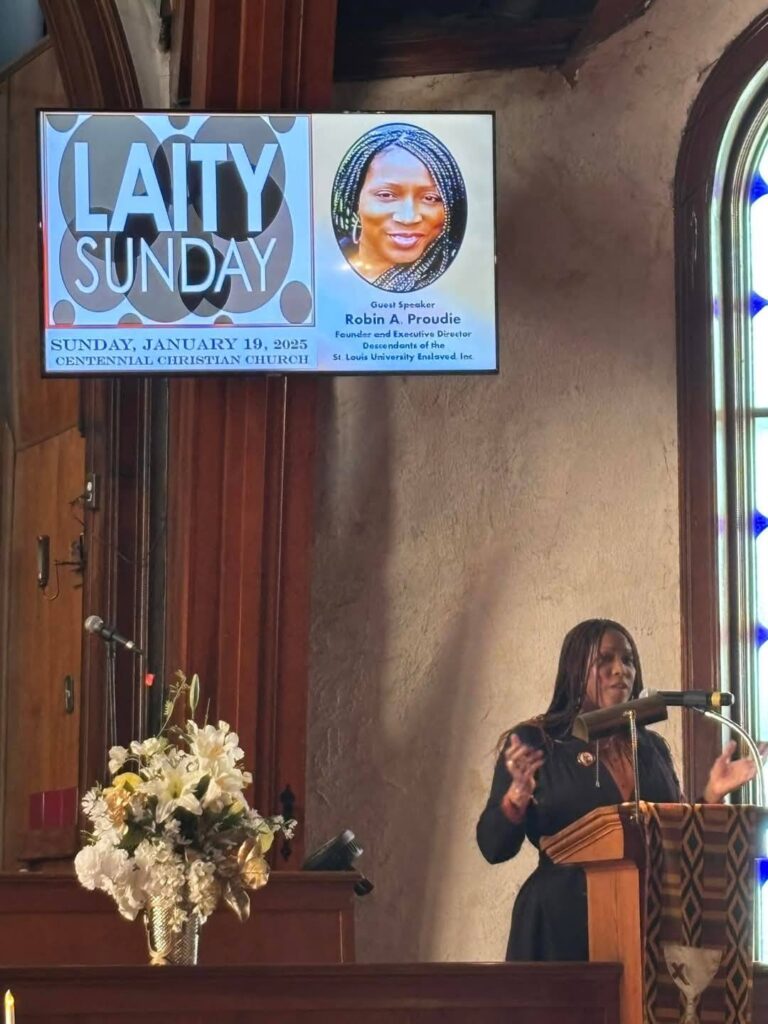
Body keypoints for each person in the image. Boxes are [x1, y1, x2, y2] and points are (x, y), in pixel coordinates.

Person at [476, 618, 760, 962]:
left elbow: (674, 837)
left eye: (628, 660)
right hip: (560, 926)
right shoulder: (539, 741)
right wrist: (515, 801)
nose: (620, 670)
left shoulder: (650, 747)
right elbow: (493, 847)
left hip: (644, 924)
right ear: (575, 669)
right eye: (605, 660)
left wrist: (712, 794)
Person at [330, 122, 467, 292]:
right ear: (355, 199)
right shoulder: (323, 264)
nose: (408, 218)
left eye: (430, 198)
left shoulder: (458, 283)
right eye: (386, 195)